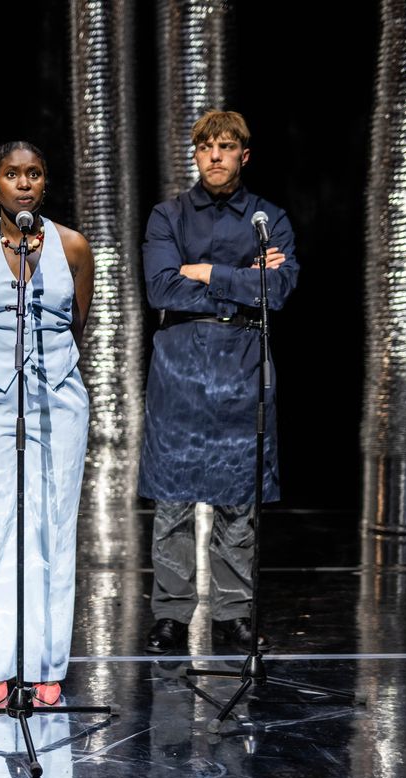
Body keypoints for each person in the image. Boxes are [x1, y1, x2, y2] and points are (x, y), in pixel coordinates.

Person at [139, 110, 300, 656]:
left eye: (226, 147)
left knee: (239, 498)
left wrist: (207, 271)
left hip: (243, 360)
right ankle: (170, 615)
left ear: (243, 156)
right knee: (174, 498)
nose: (215, 156)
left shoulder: (267, 218)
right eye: (206, 147)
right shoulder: (168, 216)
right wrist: (245, 277)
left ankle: (233, 614)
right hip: (181, 360)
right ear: (195, 154)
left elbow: (278, 290)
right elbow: (162, 288)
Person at [0, 142, 94, 707]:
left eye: (34, 173)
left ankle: (45, 662)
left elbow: (75, 324)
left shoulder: (73, 247)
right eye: (12, 174)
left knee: (52, 525)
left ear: (45, 183)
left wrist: (46, 369)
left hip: (56, 394)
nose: (24, 183)